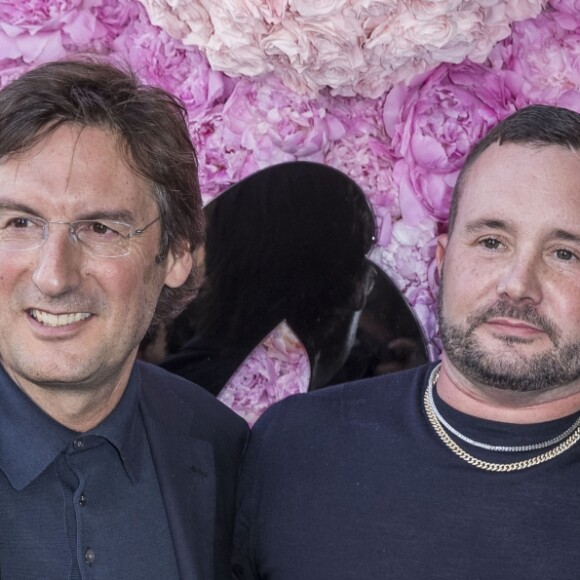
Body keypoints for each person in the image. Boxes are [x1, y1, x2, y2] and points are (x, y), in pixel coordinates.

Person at [232, 104, 580, 579]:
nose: (518, 284)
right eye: (491, 242)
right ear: (441, 263)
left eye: (565, 253)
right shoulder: (294, 446)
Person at [0, 59, 248, 579]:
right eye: (20, 222)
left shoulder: (223, 450)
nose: (52, 276)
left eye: (100, 229)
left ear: (179, 253)